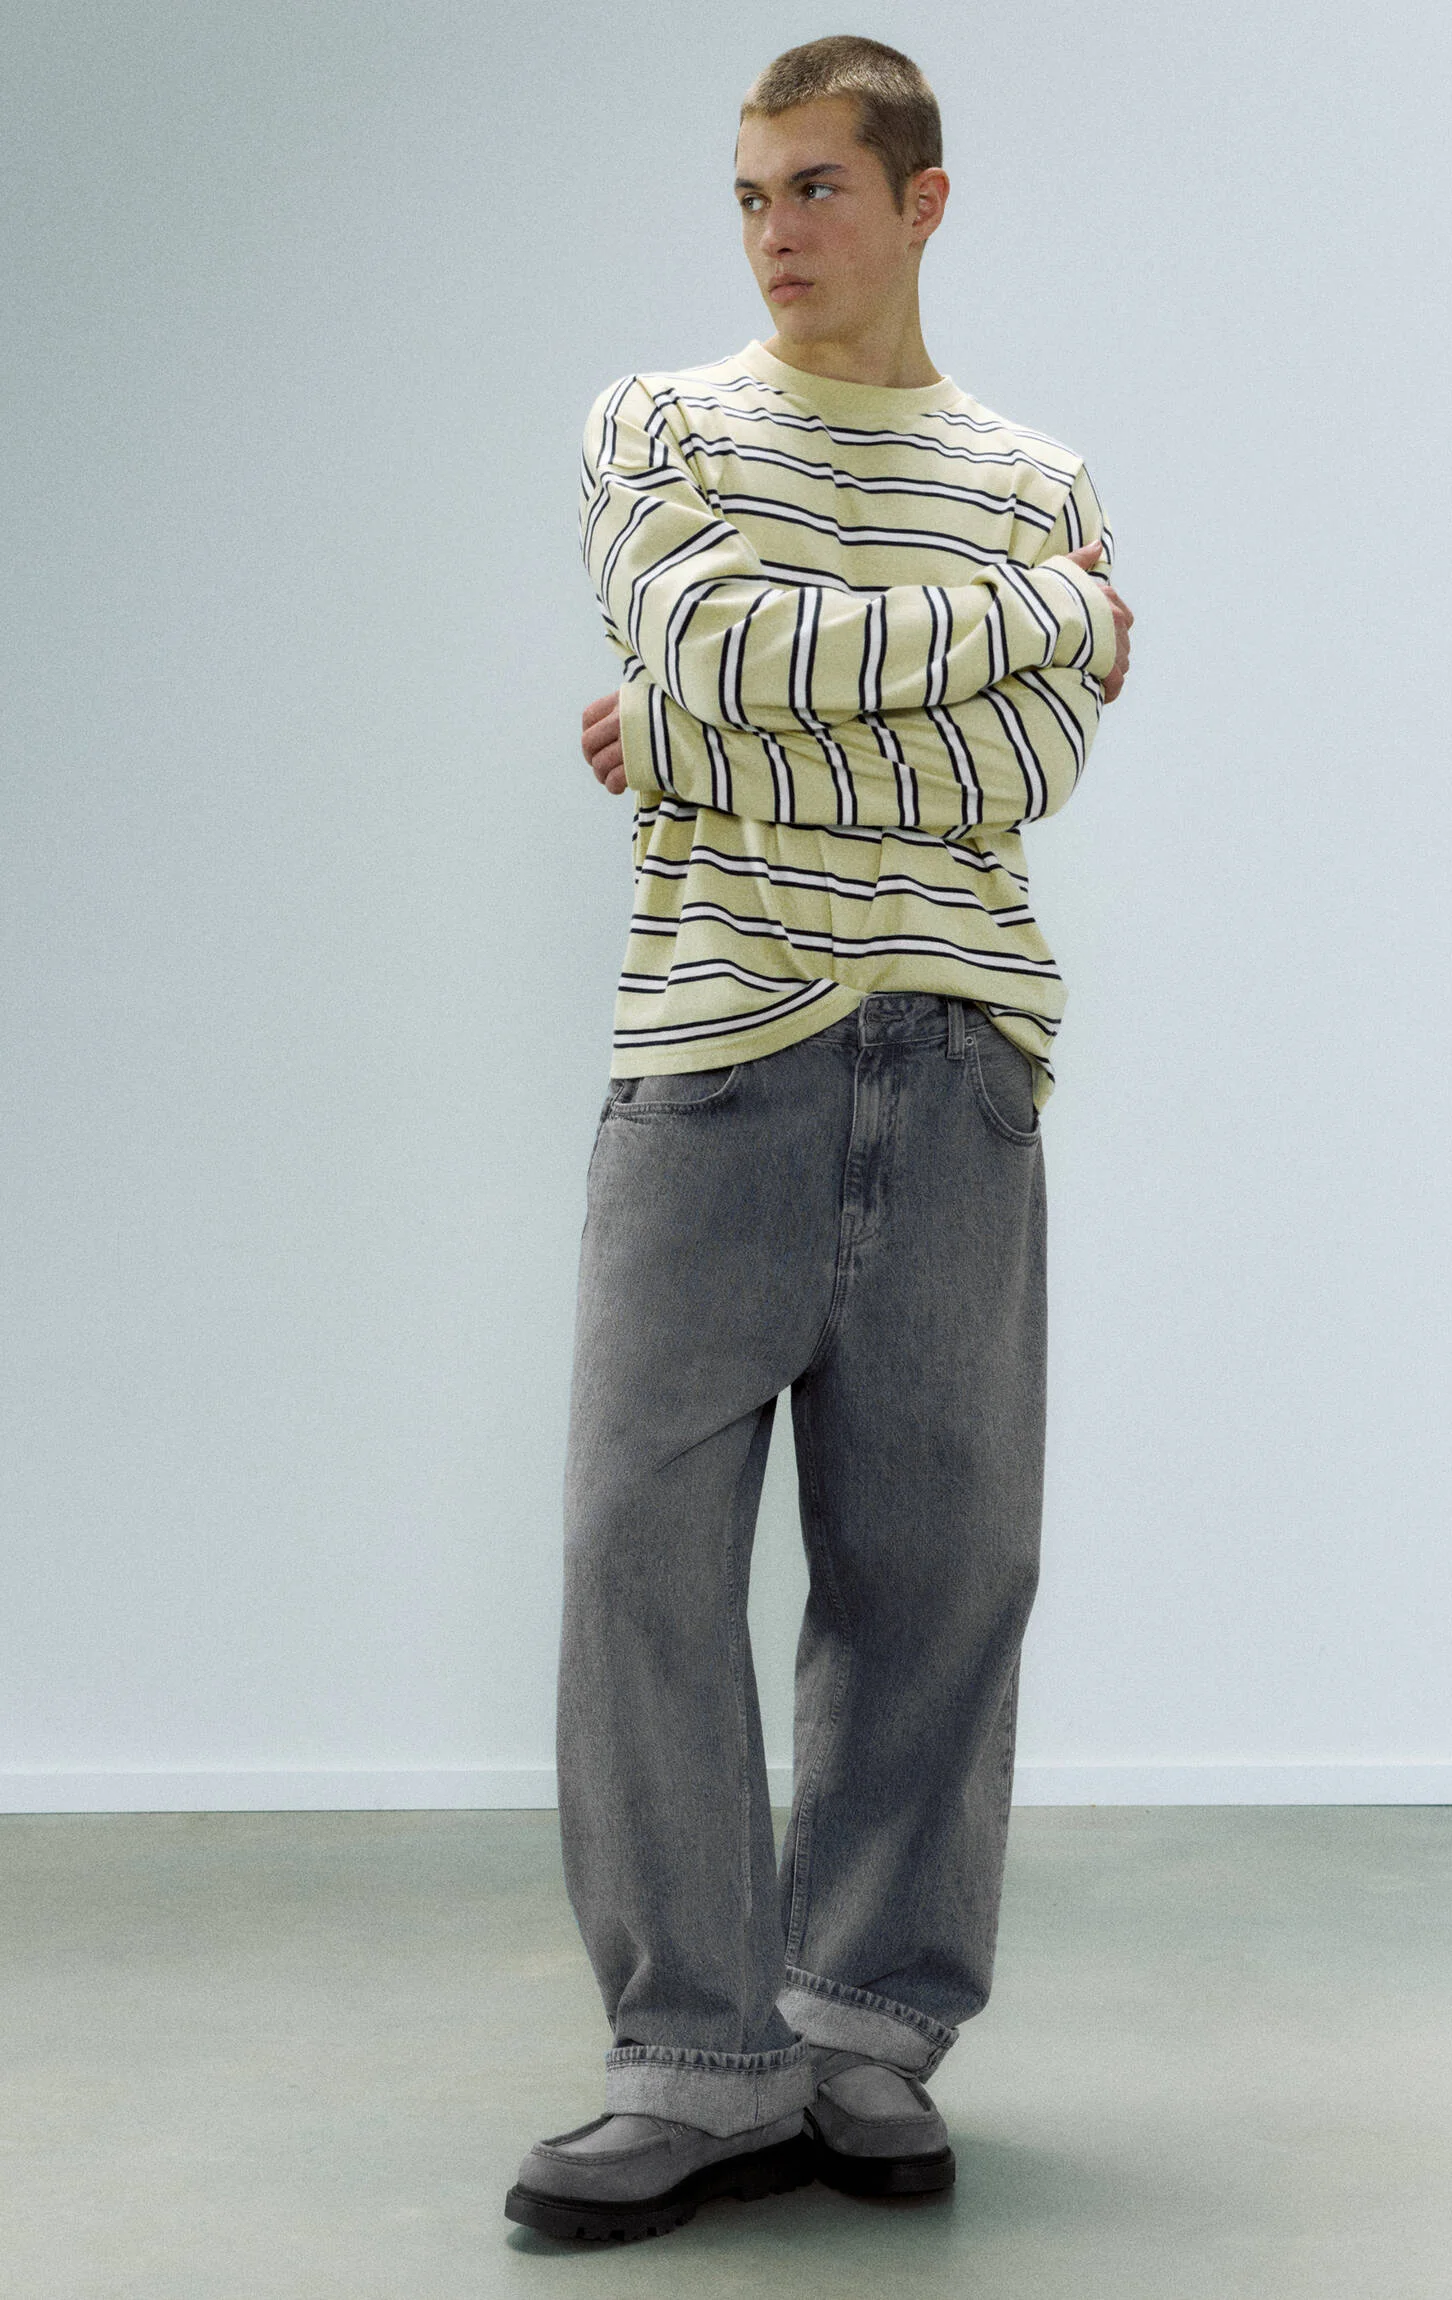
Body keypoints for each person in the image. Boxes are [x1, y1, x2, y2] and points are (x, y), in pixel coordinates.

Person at [505, 33, 1133, 2246]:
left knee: (939, 1569)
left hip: (956, 1063)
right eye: (752, 194)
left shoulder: (1029, 468)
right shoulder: (660, 429)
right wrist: (1043, 619)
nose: (775, 234)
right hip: (709, 1063)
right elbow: (699, 633)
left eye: (817, 190)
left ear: (921, 201)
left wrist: (708, 734)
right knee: (637, 1566)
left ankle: (862, 2026)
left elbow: (1018, 773)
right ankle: (694, 2059)